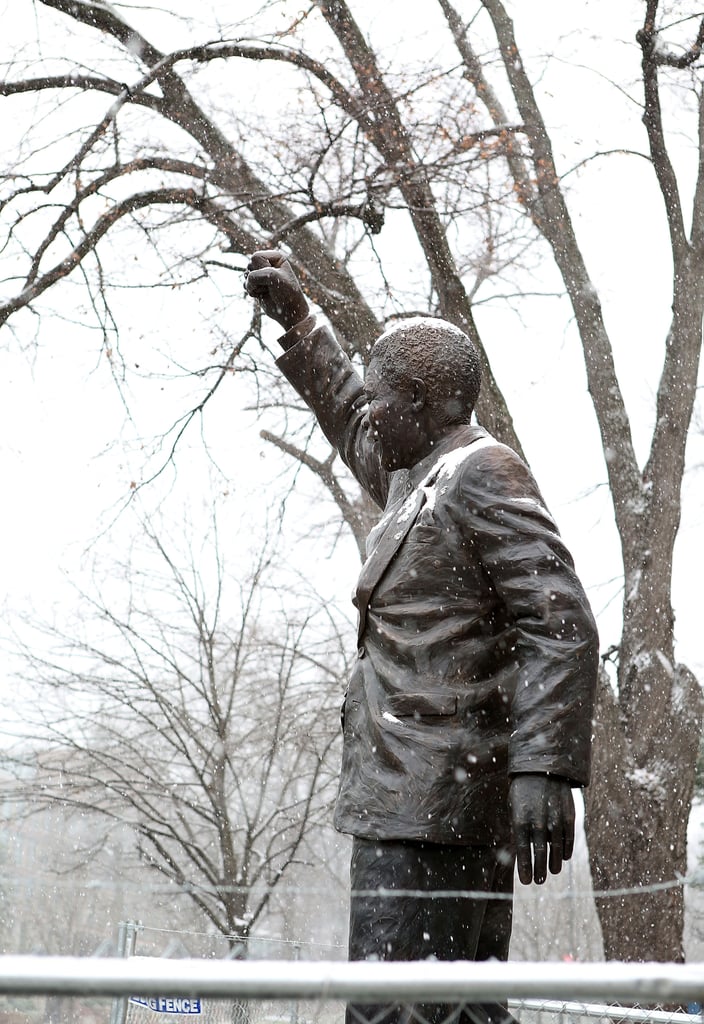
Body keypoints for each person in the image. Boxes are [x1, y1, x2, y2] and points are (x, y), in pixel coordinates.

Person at [245, 250, 599, 1024]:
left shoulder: (479, 472)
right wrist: (301, 322)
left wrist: (543, 769)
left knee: (395, 1010)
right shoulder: (417, 471)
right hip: (417, 794)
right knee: (445, 1011)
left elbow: (560, 618)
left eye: (383, 402)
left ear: (425, 403)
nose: (369, 416)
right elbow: (348, 413)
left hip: (435, 797)